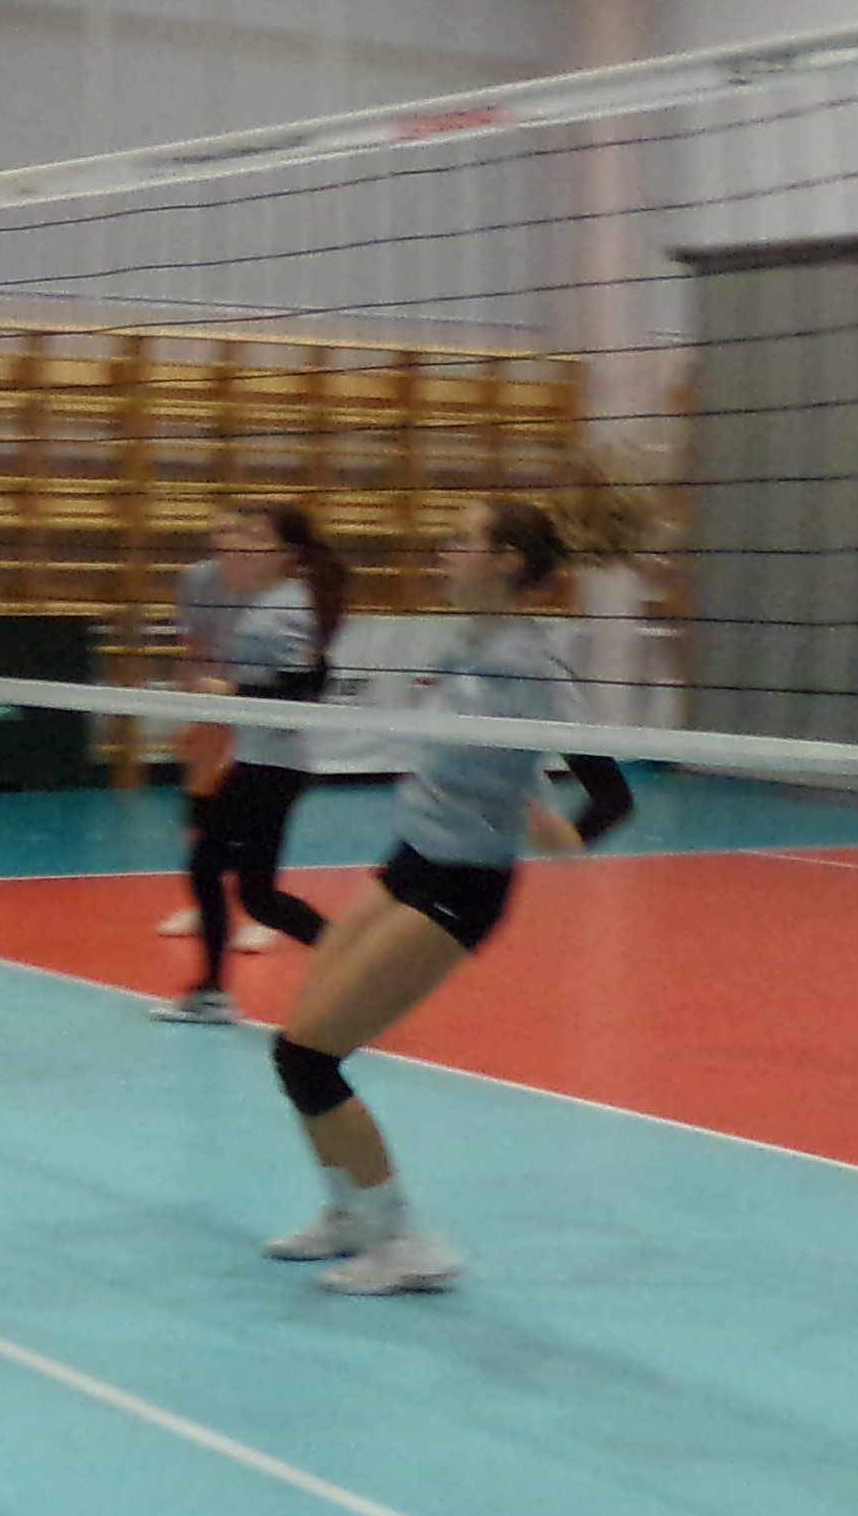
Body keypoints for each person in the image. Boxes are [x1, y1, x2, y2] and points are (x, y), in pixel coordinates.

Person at [261, 496, 635, 1296]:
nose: (445, 550)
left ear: (504, 561)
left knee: (309, 1058)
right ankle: (349, 1212)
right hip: (410, 859)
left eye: (463, 540)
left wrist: (571, 836)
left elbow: (611, 791)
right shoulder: (469, 642)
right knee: (294, 1045)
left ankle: (407, 1243)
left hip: (464, 882)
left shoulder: (530, 666)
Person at [157, 505, 347, 1025]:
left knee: (214, 870)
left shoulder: (287, 607)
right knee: (257, 895)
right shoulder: (275, 601)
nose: (242, 545)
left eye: (258, 538)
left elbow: (304, 687)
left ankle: (213, 992)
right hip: (263, 760)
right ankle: (350, 964)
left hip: (274, 766)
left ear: (288, 554)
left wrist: (227, 692)